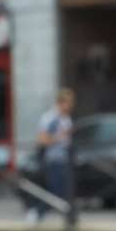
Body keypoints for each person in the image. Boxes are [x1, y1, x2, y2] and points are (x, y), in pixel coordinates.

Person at [27, 88, 74, 222]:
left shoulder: (67, 118)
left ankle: (68, 220)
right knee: (55, 192)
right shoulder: (50, 118)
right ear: (61, 102)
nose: (71, 105)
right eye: (69, 102)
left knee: (66, 192)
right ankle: (36, 213)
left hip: (64, 160)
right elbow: (42, 140)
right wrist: (60, 137)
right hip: (52, 161)